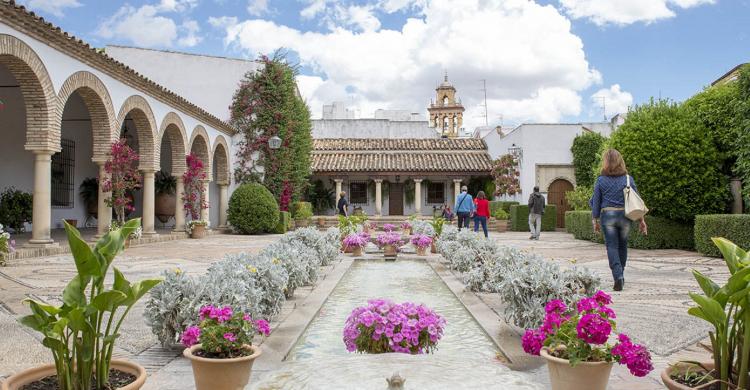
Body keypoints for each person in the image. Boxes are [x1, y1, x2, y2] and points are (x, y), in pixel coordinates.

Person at [591, 149, 648, 292]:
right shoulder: (628, 179)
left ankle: (618, 277)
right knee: (622, 246)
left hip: (607, 215)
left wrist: (595, 220)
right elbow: (636, 201)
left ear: (606, 162)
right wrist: (641, 220)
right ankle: (620, 275)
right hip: (625, 216)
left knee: (611, 246)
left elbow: (596, 202)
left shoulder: (601, 180)